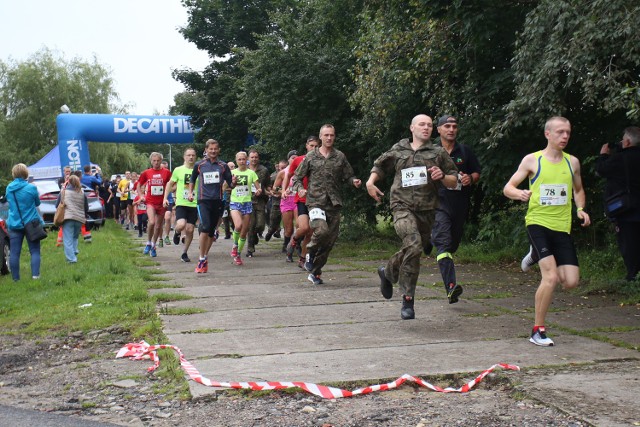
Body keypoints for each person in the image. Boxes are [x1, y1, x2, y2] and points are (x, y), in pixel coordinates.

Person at [504, 116, 591, 347]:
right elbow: (508, 188)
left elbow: (579, 190)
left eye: (568, 132)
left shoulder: (572, 162)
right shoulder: (533, 160)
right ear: (548, 134)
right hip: (537, 223)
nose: (565, 136)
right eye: (560, 132)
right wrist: (519, 194)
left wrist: (580, 209)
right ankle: (537, 330)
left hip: (562, 227)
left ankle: (534, 255)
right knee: (550, 277)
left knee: (570, 282)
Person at [366, 114, 458, 319]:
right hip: (401, 206)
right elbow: (380, 166)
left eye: (429, 125)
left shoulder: (438, 152)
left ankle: (388, 273)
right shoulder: (399, 149)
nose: (426, 128)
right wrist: (370, 182)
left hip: (427, 211)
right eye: (422, 125)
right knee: (414, 245)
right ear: (412, 127)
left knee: (414, 251)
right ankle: (408, 300)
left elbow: (454, 180)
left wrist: (442, 177)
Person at [292, 124, 362, 285]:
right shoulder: (311, 157)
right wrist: (300, 189)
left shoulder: (340, 157)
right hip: (315, 201)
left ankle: (315, 272)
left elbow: (348, 176)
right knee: (321, 231)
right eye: (326, 135)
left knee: (329, 242)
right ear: (321, 137)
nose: (329, 138)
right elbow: (296, 178)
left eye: (332, 135)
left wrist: (354, 181)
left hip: (334, 203)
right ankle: (308, 251)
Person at [429, 115, 482, 303]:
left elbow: (476, 172)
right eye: (447, 126)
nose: (451, 129)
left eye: (454, 126)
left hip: (459, 202)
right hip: (437, 202)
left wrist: (470, 178)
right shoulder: (431, 151)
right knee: (443, 243)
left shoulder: (465, 151)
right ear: (439, 130)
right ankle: (451, 286)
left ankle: (429, 239)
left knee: (452, 244)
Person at [595, 126, 640, 281]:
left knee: (629, 244)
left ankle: (633, 276)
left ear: (627, 141)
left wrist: (603, 155)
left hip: (626, 209)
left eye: (623, 139)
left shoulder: (620, 159)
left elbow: (601, 170)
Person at [187, 139, 235, 273]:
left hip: (218, 201)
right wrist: (191, 192)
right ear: (206, 150)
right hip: (203, 201)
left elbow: (230, 184)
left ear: (218, 150)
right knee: (205, 227)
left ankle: (205, 256)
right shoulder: (199, 164)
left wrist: (234, 183)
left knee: (211, 232)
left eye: (215, 149)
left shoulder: (223, 166)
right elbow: (192, 179)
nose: (213, 151)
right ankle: (201, 258)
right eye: (210, 149)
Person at [286, 136, 321, 266]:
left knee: (311, 233)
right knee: (304, 227)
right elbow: (290, 176)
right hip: (302, 199)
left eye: (316, 146)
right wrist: (285, 189)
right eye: (311, 146)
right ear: (306, 146)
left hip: (316, 200)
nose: (314, 148)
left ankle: (303, 258)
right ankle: (294, 240)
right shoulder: (299, 160)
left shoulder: (321, 161)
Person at [5, 163, 44, 281]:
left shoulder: (9, 188)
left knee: (15, 253)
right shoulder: (31, 188)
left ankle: (16, 279)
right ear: (26, 173)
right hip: (31, 223)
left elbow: (9, 203)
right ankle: (35, 276)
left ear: (14, 174)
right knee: (35, 250)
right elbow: (37, 203)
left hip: (15, 223)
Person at [165, 147, 198, 263]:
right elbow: (170, 184)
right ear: (184, 157)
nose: (191, 157)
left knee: (190, 229)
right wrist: (165, 198)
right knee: (181, 224)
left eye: (193, 155)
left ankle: (184, 252)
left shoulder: (199, 169)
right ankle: (177, 232)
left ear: (196, 157)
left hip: (194, 204)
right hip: (181, 203)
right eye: (188, 155)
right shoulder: (178, 170)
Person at [230, 151, 261, 266]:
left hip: (247, 203)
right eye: (239, 160)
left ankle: (238, 254)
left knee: (244, 232)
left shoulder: (251, 173)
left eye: (243, 159)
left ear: (246, 159)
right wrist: (230, 185)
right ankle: (234, 245)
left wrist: (258, 191)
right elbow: (226, 186)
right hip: (235, 203)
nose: (242, 161)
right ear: (236, 160)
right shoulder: (232, 172)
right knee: (238, 225)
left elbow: (258, 187)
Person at [138, 153, 172, 257]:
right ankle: (148, 242)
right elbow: (139, 185)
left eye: (158, 161)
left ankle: (153, 245)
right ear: (151, 161)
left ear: (161, 161)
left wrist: (169, 192)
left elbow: (172, 184)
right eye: (154, 161)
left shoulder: (166, 173)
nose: (156, 163)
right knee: (152, 222)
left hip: (162, 203)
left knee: (158, 226)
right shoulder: (147, 173)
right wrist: (141, 196)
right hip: (150, 201)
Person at [56, 174, 88, 263]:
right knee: (75, 236)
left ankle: (71, 259)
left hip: (68, 217)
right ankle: (74, 251)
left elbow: (57, 205)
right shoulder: (82, 192)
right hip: (79, 218)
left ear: (68, 182)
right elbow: (86, 207)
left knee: (68, 239)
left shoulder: (64, 192)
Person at [246, 149, 270, 257]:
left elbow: (267, 184)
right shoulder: (244, 170)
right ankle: (250, 248)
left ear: (258, 158)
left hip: (260, 200)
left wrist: (269, 191)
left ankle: (255, 235)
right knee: (250, 225)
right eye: (252, 157)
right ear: (248, 158)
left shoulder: (264, 170)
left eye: (256, 157)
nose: (254, 159)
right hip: (247, 200)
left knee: (260, 225)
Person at [274, 152, 298, 255]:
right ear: (288, 159)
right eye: (292, 158)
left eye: (296, 158)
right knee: (288, 229)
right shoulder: (283, 172)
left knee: (299, 225)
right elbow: (275, 188)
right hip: (287, 201)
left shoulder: (303, 170)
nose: (294, 160)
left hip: (298, 201)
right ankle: (286, 244)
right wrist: (282, 191)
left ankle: (297, 245)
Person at [265, 159, 287, 242]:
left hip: (287, 201)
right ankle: (271, 231)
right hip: (276, 201)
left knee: (287, 224)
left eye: (284, 168)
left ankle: (286, 242)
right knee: (274, 219)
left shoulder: (291, 175)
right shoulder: (274, 176)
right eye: (280, 168)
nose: (281, 170)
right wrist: (271, 192)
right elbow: (269, 186)